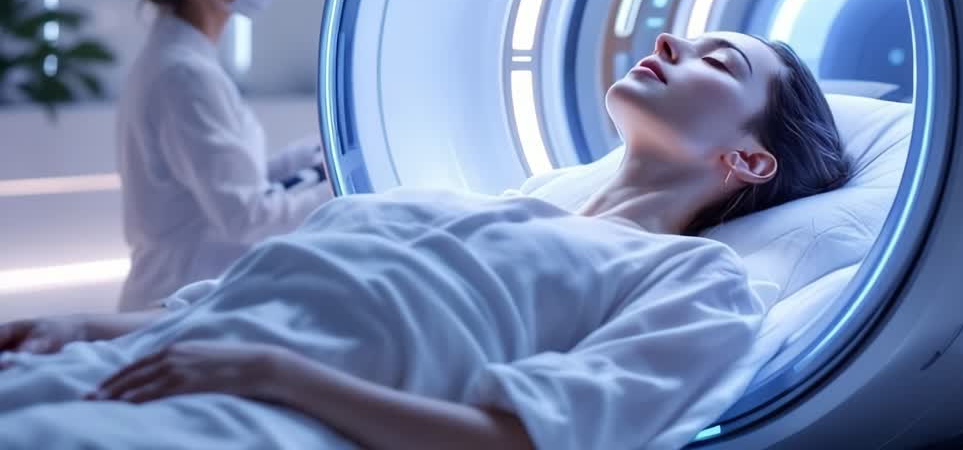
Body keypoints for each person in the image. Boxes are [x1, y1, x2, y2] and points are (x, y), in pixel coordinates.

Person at [0, 32, 853, 450]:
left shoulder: (694, 279)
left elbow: (524, 444)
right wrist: (78, 326)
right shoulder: (463, 206)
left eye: (718, 62)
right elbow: (211, 312)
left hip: (251, 419)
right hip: (134, 365)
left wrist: (271, 374)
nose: (668, 40)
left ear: (748, 158)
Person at [102, 0, 334, 312]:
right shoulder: (184, 74)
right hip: (179, 299)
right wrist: (334, 186)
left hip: (185, 292)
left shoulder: (181, 61)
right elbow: (245, 216)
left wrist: (312, 154)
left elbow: (225, 182)